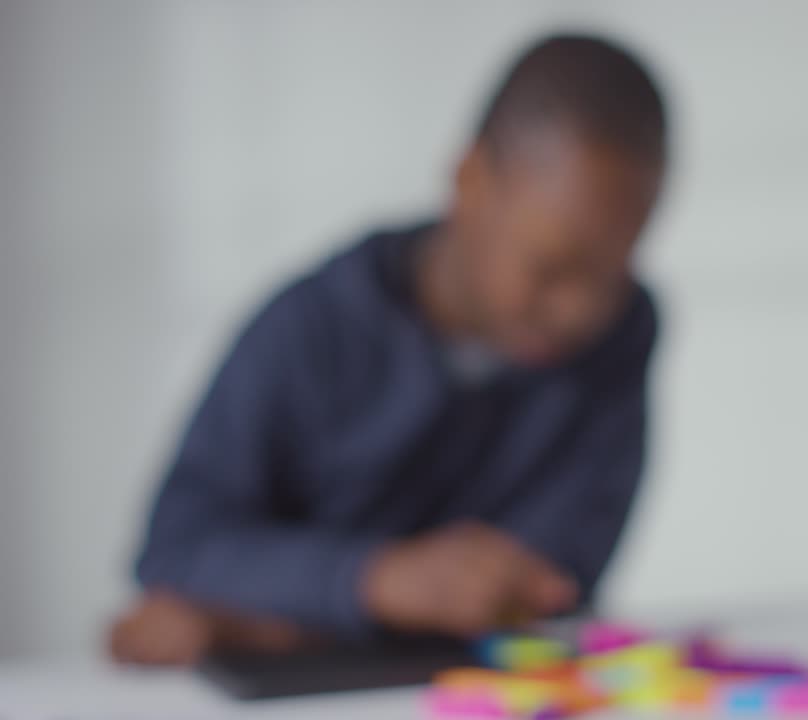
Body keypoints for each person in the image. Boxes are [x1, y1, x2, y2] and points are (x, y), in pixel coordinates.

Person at [108, 33, 668, 666]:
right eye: (551, 269)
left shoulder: (620, 334)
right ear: (470, 181)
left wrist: (263, 617)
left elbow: (555, 581)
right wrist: (375, 581)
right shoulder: (311, 328)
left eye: (613, 274)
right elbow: (175, 549)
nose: (580, 310)